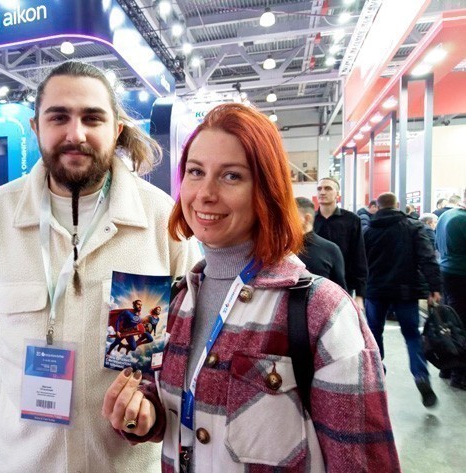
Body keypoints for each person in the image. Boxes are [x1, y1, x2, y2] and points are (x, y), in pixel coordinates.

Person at [103, 103, 399, 472]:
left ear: (267, 189)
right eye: (196, 172)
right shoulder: (177, 300)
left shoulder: (320, 311)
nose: (205, 193)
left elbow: (362, 461)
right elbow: (174, 411)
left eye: (231, 176)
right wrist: (144, 417)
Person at [0, 61, 199, 473]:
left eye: (92, 118)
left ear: (116, 130)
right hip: (26, 461)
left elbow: (187, 332)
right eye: (59, 117)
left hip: (126, 462)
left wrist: (151, 402)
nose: (76, 134)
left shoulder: (161, 218)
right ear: (35, 127)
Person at [363, 192, 442, 406]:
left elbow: (361, 262)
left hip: (375, 290)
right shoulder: (413, 227)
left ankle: (376, 375)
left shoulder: (368, 230)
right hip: (406, 291)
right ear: (397, 205)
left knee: (373, 332)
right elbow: (427, 258)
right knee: (412, 335)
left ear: (378, 206)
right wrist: (434, 287)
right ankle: (420, 375)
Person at [313, 177, 367, 307]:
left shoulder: (351, 220)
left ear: (337, 194)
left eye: (328, 188)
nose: (322, 192)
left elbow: (359, 256)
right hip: (314, 283)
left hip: (342, 283)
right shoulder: (310, 220)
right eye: (319, 188)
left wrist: (360, 295)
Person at [435, 191, 466, 390]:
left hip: (446, 272)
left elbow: (436, 244)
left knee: (450, 322)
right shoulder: (462, 220)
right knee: (462, 325)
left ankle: (446, 368)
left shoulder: (446, 215)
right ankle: (460, 375)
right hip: (462, 275)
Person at [295, 197, 347, 290]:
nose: (285, 221)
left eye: (290, 216)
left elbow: (340, 291)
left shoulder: (330, 250)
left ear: (306, 219)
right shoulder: (281, 250)